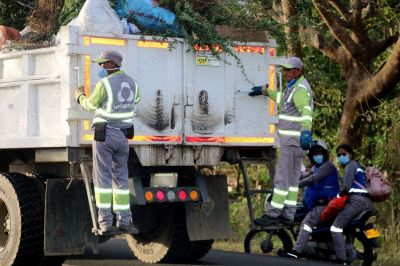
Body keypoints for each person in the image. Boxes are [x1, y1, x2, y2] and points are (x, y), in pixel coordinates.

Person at [74, 50, 141, 234]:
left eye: (103, 64)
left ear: (112, 64)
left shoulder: (105, 84)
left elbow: (91, 105)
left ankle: (105, 223)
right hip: (123, 137)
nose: (101, 67)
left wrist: (79, 96)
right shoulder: (132, 83)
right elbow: (136, 99)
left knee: (102, 179)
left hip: (105, 136)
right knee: (120, 180)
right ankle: (125, 221)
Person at [249, 57, 314, 226]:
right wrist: (264, 91)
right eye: (284, 70)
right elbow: (283, 100)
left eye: (288, 70)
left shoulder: (299, 89)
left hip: (292, 143)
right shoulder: (293, 87)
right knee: (292, 182)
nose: (284, 73)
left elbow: (306, 110)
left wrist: (306, 131)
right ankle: (288, 215)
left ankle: (272, 214)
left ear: (297, 71)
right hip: (295, 144)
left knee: (282, 179)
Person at [285, 140, 339, 259]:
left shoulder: (328, 166)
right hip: (321, 203)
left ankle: (296, 251)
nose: (317, 156)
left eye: (319, 153)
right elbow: (306, 175)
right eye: (314, 154)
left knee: (307, 223)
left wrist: (296, 185)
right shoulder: (317, 167)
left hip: (325, 204)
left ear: (325, 153)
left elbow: (312, 179)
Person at [330, 144, 373, 264]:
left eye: (344, 154)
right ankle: (361, 253)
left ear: (351, 154)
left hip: (356, 202)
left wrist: (336, 197)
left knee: (335, 228)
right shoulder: (358, 166)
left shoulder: (351, 166)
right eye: (339, 155)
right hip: (367, 202)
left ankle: (341, 260)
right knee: (348, 227)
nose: (341, 157)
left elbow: (346, 187)